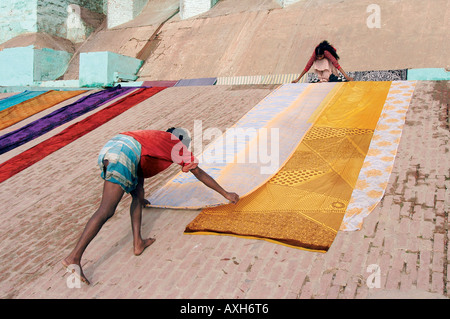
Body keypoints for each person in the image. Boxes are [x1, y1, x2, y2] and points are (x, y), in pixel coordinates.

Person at [62, 127, 240, 285]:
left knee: (138, 195)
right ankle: (74, 257)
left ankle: (138, 243)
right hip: (124, 153)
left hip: (114, 147)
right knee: (106, 210)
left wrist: (141, 198)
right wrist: (226, 193)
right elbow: (198, 172)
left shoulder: (155, 138)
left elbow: (140, 172)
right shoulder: (176, 144)